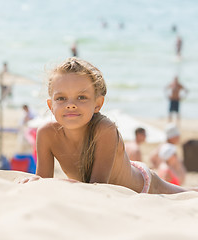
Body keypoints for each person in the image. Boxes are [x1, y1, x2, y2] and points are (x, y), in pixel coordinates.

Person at [21, 57, 191, 194]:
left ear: (98, 104)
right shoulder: (46, 134)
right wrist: (36, 181)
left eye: (81, 97)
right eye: (61, 98)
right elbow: (42, 182)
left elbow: (98, 187)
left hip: (143, 186)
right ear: (51, 105)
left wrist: (58, 183)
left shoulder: (104, 130)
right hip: (103, 190)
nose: (70, 104)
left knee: (188, 194)